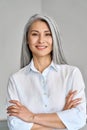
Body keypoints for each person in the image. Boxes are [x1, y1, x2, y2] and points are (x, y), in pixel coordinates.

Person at [6, 14, 86, 130]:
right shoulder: (16, 79)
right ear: (27, 40)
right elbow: (15, 124)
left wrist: (31, 117)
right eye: (34, 34)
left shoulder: (72, 74)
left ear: (54, 39)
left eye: (47, 34)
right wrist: (62, 118)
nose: (41, 40)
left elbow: (79, 119)